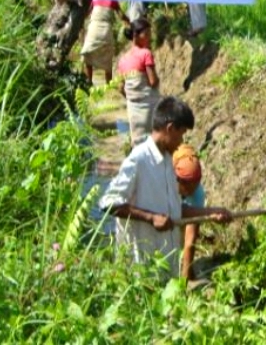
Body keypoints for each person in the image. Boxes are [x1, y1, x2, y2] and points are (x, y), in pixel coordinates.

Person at [98, 97, 229, 280]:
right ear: (169, 129)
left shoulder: (168, 161)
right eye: (181, 134)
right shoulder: (139, 160)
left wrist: (211, 213)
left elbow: (175, 210)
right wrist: (151, 218)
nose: (181, 141)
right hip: (142, 270)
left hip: (166, 264)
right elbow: (108, 203)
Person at [172, 144, 229, 282]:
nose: (190, 190)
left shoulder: (197, 194)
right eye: (185, 187)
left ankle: (187, 271)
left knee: (183, 242)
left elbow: (190, 241)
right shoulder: (165, 185)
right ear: (176, 179)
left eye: (194, 185)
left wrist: (182, 287)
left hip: (181, 214)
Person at [118, 19, 160, 146]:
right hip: (148, 105)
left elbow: (120, 88)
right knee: (154, 140)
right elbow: (153, 82)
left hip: (133, 109)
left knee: (138, 143)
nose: (150, 38)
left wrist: (133, 99)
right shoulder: (146, 54)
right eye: (146, 34)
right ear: (135, 36)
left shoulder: (122, 59)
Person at [80, 0, 128, 84]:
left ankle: (88, 82)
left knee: (87, 56)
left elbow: (86, 13)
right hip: (106, 30)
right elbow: (121, 16)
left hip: (94, 28)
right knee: (107, 60)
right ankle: (109, 85)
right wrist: (130, 21)